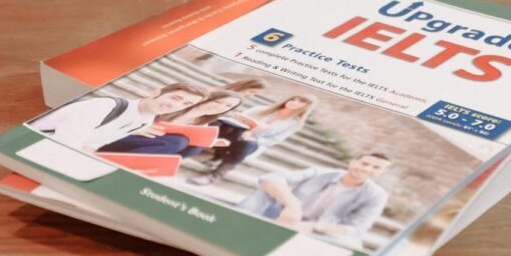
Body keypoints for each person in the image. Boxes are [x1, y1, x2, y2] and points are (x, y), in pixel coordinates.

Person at [237, 153, 392, 241]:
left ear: (381, 173)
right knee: (265, 190)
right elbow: (271, 177)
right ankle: (237, 224)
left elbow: (357, 229)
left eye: (376, 167)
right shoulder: (321, 173)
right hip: (282, 214)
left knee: (348, 241)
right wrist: (292, 205)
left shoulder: (376, 195)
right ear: (353, 162)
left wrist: (312, 226)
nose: (367, 169)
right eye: (364, 163)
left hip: (317, 230)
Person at [29, 83, 208, 152]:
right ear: (155, 93)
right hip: (36, 144)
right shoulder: (106, 106)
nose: (175, 106)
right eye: (175, 98)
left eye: (184, 104)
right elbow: (65, 141)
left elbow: (91, 146)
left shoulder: (145, 121)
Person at [189, 94, 316, 185]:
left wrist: (254, 138)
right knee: (221, 125)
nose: (294, 102)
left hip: (251, 143)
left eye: (301, 102)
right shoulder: (261, 109)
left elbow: (274, 141)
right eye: (294, 99)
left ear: (305, 107)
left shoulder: (292, 123)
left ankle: (213, 176)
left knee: (247, 144)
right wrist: (240, 123)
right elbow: (237, 118)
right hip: (233, 134)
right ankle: (203, 153)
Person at [96, 90, 242, 157]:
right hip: (124, 135)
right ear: (207, 98)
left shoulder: (204, 124)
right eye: (219, 101)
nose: (220, 107)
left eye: (227, 106)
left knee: (192, 147)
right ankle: (125, 163)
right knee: (180, 141)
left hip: (146, 145)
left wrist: (211, 142)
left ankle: (132, 162)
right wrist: (137, 128)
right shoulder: (176, 105)